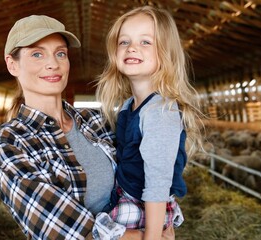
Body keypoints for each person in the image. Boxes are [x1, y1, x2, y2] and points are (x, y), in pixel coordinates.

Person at [0, 15, 141, 239]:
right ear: (12, 64)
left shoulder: (97, 120)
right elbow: (64, 229)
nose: (53, 64)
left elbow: (144, 164)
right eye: (37, 54)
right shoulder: (10, 142)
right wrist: (146, 236)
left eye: (60, 53)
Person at [96, 5, 204, 240]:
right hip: (128, 196)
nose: (132, 47)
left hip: (143, 207)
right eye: (124, 42)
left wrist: (151, 237)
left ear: (166, 52)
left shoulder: (160, 110)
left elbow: (157, 183)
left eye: (146, 42)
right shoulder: (128, 106)